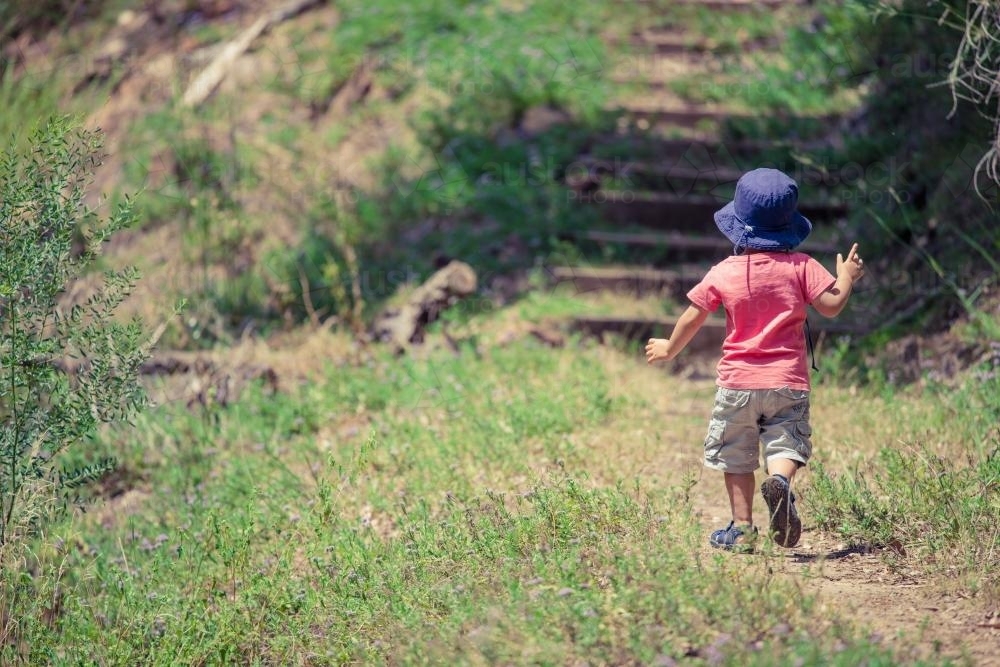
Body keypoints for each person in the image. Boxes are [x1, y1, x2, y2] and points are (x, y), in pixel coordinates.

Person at [644, 168, 864, 551]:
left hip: (737, 384)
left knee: (737, 455)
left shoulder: (724, 272)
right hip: (787, 382)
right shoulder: (803, 266)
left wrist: (669, 348)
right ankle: (780, 481)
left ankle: (742, 529)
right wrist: (845, 276)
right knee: (785, 441)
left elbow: (694, 314)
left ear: (738, 224)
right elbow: (830, 307)